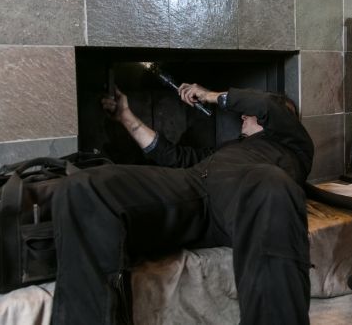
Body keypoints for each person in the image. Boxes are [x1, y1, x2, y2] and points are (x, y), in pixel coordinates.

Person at [51, 83, 314, 325]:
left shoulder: (295, 145)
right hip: (192, 188)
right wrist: (124, 115)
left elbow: (266, 105)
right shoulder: (226, 149)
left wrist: (210, 95)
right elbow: (173, 156)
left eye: (250, 113)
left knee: (270, 183)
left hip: (247, 195)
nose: (243, 116)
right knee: (85, 185)